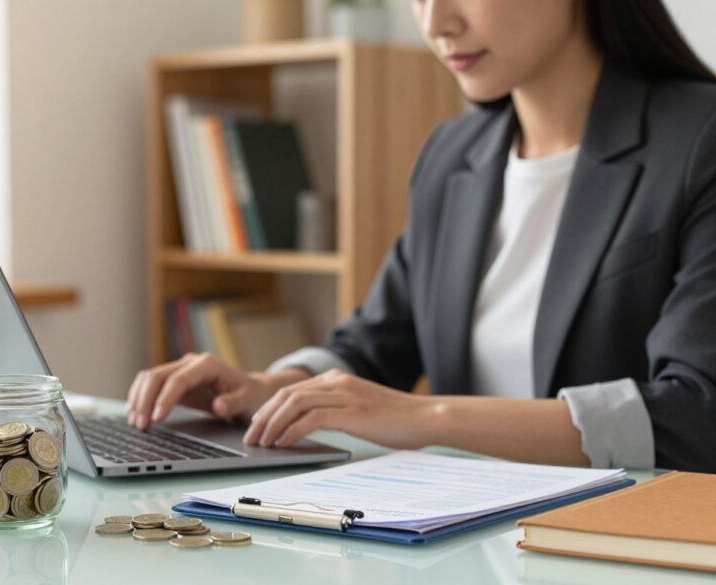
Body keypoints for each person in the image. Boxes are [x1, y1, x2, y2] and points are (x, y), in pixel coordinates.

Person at [126, 0, 716, 472]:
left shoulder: (698, 140)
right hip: (461, 539)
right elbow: (375, 346)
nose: (436, 22)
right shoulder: (452, 156)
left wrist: (425, 417)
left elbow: (695, 414)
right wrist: (268, 388)